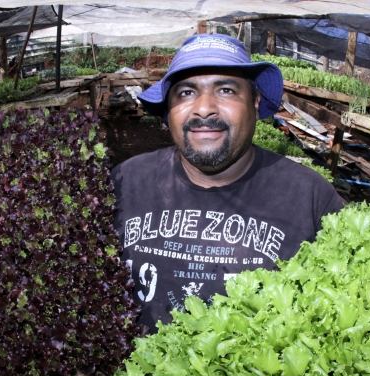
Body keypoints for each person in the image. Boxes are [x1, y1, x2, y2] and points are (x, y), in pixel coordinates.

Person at [112, 33, 345, 332]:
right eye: (185, 93)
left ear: (256, 103)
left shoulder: (309, 197)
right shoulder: (124, 182)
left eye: (225, 90)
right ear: (168, 110)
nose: (204, 108)